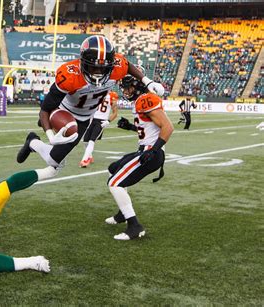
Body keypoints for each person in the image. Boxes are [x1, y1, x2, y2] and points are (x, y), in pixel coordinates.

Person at [17, 35, 165, 173]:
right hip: (63, 110)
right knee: (52, 130)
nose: (98, 72)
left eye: (103, 67)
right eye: (93, 67)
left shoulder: (117, 67)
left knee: (53, 160)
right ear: (82, 62)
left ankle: (32, 142)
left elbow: (128, 66)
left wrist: (147, 81)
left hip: (84, 118)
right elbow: (44, 109)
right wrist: (50, 136)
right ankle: (47, 127)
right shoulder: (69, 75)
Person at [105, 75, 174, 240]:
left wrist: (154, 150)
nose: (125, 91)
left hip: (150, 152)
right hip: (146, 150)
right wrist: (130, 127)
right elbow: (149, 129)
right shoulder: (140, 101)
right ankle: (123, 212)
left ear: (136, 87)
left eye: (127, 87)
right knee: (113, 169)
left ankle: (134, 226)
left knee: (114, 183)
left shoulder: (146, 99)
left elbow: (168, 127)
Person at [79, 90, 119, 167]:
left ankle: (85, 160)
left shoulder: (112, 95)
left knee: (92, 140)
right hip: (92, 119)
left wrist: (108, 121)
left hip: (101, 121)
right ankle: (89, 157)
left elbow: (115, 113)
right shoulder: (96, 92)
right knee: (85, 141)